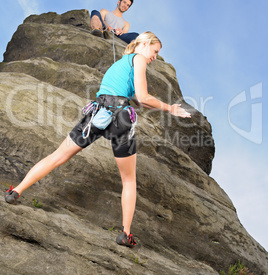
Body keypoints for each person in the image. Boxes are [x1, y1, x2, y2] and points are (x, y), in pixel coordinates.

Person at [5, 32, 191, 247]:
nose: (155, 57)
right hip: (120, 117)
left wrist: (155, 106)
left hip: (97, 113)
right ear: (144, 44)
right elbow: (143, 97)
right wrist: (170, 108)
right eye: (155, 51)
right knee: (128, 180)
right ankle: (125, 234)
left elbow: (139, 100)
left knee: (58, 156)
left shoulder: (120, 65)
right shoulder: (138, 59)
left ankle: (15, 191)